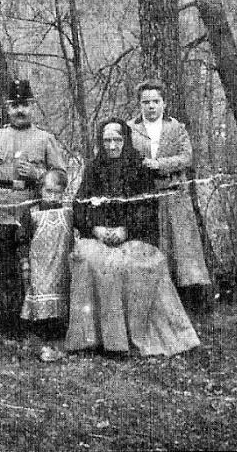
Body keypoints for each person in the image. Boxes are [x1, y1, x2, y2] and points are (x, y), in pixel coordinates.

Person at [65, 119, 200, 357]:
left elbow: (148, 208)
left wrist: (125, 230)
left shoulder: (139, 167)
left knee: (131, 264)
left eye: (117, 140)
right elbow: (80, 206)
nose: (112, 146)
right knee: (87, 259)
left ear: (125, 140)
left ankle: (130, 336)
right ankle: (95, 339)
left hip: (133, 237)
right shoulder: (94, 168)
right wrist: (96, 229)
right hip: (98, 237)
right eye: (107, 140)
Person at [0, 79, 67, 339]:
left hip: (34, 216)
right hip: (1, 214)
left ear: (33, 107)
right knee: (6, 274)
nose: (20, 110)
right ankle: (10, 331)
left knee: (37, 272)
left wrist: (38, 174)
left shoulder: (45, 139)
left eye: (24, 105)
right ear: (7, 108)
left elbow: (61, 177)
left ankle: (39, 327)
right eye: (15, 105)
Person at [128, 81, 211, 303]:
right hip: (144, 195)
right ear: (139, 104)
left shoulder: (176, 128)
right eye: (146, 102)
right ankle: (152, 297)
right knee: (150, 243)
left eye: (155, 101)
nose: (151, 106)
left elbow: (186, 157)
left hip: (174, 194)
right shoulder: (130, 129)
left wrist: (160, 164)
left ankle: (186, 298)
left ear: (164, 103)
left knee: (181, 247)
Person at [18, 169, 73, 357]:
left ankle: (58, 340)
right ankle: (39, 341)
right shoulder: (31, 213)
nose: (52, 197)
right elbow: (22, 240)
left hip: (61, 265)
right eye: (48, 191)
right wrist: (25, 263)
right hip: (39, 267)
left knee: (61, 303)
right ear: (40, 190)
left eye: (57, 193)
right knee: (40, 304)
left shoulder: (68, 212)